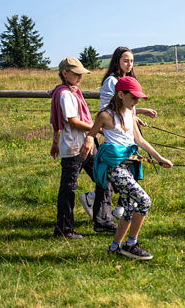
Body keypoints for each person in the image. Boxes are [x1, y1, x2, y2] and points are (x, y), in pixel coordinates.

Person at [80, 76, 173, 260]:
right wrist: (89, 141)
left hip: (128, 165)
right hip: (114, 167)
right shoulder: (105, 115)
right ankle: (131, 244)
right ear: (121, 94)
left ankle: (115, 247)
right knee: (144, 201)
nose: (136, 101)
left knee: (130, 206)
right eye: (133, 97)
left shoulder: (130, 113)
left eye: (138, 98)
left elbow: (139, 140)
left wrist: (159, 158)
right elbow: (91, 133)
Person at [80, 46, 157, 219]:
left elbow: (127, 108)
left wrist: (138, 115)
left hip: (126, 129)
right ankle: (105, 207)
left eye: (131, 61)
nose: (129, 64)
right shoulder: (112, 81)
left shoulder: (127, 79)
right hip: (114, 133)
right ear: (117, 61)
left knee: (125, 170)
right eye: (125, 60)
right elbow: (108, 108)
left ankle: (115, 208)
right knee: (113, 171)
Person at [49, 57, 117, 239]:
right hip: (74, 148)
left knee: (104, 177)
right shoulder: (65, 94)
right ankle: (64, 228)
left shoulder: (74, 91)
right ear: (65, 73)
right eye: (76, 74)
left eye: (81, 74)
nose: (80, 77)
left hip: (88, 143)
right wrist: (98, 129)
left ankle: (103, 220)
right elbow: (72, 121)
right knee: (68, 188)